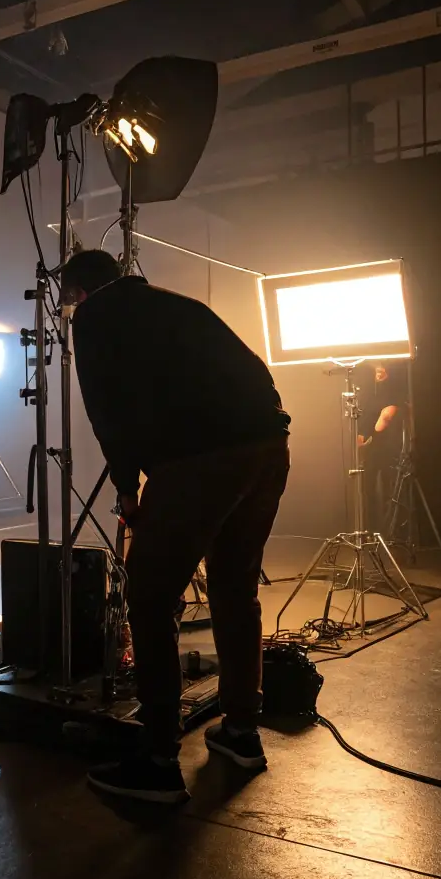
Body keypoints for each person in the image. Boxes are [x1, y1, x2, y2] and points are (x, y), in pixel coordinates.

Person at [60, 250, 291, 804]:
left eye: (69, 302)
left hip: (201, 460)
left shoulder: (94, 319)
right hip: (268, 447)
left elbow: (105, 411)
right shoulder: (178, 306)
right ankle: (240, 732)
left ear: (81, 294)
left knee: (149, 595)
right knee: (235, 588)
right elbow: (254, 372)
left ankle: (159, 761)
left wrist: (125, 485)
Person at [357, 360, 405, 534]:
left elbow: (385, 419)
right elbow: (365, 418)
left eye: (383, 368)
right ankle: (368, 529)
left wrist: (371, 433)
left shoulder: (393, 392)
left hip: (388, 448)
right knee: (368, 489)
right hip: (370, 450)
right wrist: (361, 436)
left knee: (387, 489)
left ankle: (387, 532)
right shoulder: (368, 391)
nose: (379, 370)